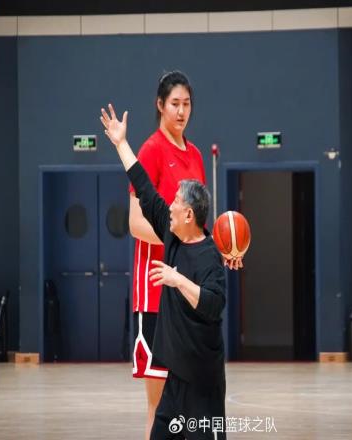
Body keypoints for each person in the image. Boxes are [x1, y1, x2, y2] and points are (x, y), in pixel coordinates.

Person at [100, 103, 227, 439]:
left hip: (203, 382)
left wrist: (177, 279)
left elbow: (214, 304)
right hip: (175, 382)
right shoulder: (171, 238)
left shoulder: (210, 255)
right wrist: (120, 143)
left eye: (176, 203)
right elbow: (143, 186)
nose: (169, 205)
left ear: (190, 215)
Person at [127, 71, 241, 439]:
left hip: (188, 288)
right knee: (160, 403)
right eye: (174, 103)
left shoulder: (195, 154)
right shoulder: (150, 150)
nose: (181, 111)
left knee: (192, 405)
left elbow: (197, 227)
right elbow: (136, 223)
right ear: (160, 106)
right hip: (156, 289)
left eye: (186, 104)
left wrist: (220, 248)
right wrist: (173, 238)